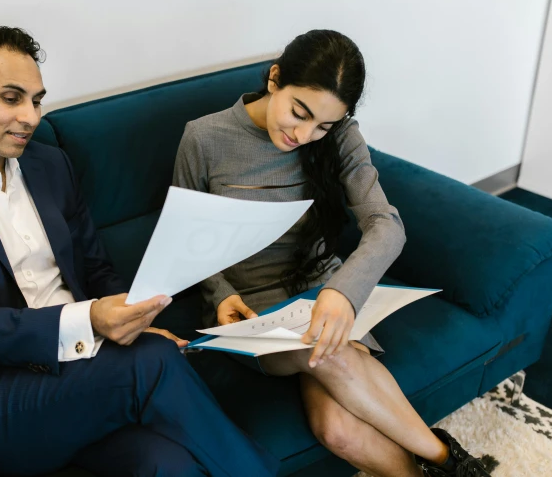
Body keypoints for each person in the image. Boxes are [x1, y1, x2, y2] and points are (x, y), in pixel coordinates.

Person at [0, 25, 278, 477]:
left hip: (86, 373)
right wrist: (92, 321)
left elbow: (96, 268)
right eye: (11, 98)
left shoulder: (49, 164)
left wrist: (133, 322)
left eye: (37, 100)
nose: (30, 116)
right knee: (153, 363)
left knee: (167, 463)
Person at [173, 29, 492, 477]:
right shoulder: (204, 139)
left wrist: (343, 292)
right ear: (275, 79)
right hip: (252, 312)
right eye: (298, 113)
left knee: (337, 430)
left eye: (322, 125)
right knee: (325, 347)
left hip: (322, 288)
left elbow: (387, 224)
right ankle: (453, 463)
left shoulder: (341, 136)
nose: (304, 135)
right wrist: (221, 294)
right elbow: (186, 237)